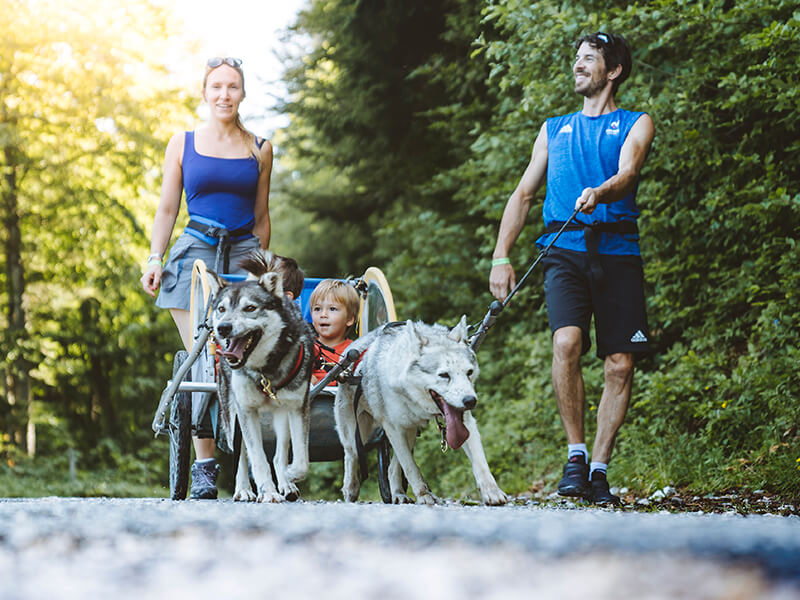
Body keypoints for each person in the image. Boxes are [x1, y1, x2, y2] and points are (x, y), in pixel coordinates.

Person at [488, 32, 655, 506]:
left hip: (618, 249)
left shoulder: (635, 123)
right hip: (563, 248)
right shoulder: (553, 128)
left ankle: (599, 469)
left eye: (589, 59)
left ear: (614, 70)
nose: (578, 65)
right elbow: (522, 196)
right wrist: (502, 255)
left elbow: (627, 174)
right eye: (576, 58)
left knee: (620, 363)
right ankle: (575, 454)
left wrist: (599, 193)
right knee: (567, 341)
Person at [140, 56, 273, 500]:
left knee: (246, 357)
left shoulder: (260, 147)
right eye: (216, 86)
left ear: (242, 93)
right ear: (204, 92)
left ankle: (253, 461)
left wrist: (263, 267)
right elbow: (166, 208)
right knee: (204, 358)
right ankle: (205, 465)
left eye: (232, 87)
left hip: (242, 256)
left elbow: (261, 216)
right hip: (194, 257)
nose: (224, 94)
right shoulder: (183, 142)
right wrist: (155, 257)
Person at [309, 280, 361, 385]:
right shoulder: (305, 347)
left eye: (332, 309)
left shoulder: (355, 351)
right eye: (317, 309)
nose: (323, 314)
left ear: (349, 319)